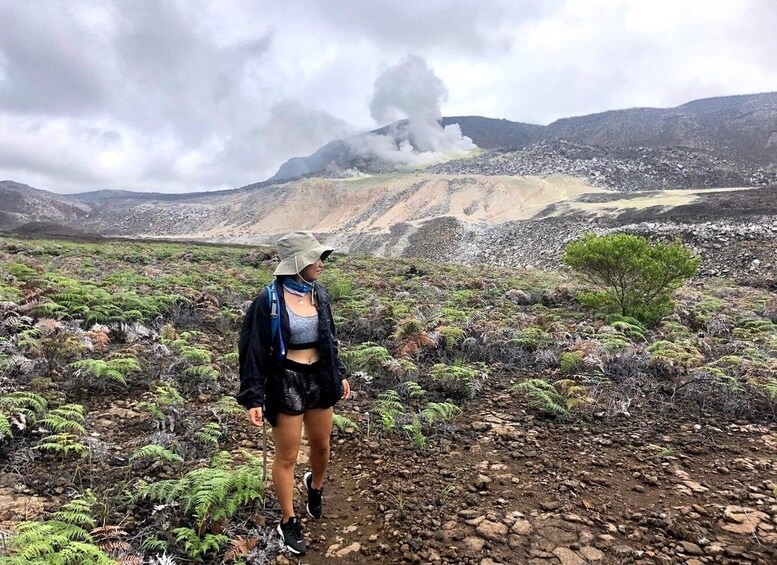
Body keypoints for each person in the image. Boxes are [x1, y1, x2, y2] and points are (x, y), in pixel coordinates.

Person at [237, 231, 350, 556]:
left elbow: (328, 338)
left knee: (322, 446)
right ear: (297, 263)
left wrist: (338, 372)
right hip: (285, 382)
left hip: (319, 378)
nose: (321, 264)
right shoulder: (268, 300)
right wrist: (253, 396)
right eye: (314, 258)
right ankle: (288, 520)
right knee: (286, 457)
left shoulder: (320, 294)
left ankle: (314, 486)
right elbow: (253, 350)